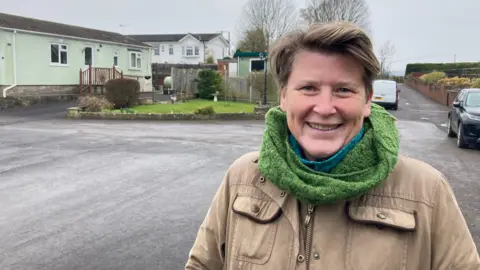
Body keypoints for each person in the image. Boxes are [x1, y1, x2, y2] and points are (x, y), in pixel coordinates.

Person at [185, 22, 480, 269]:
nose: (325, 108)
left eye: (343, 90)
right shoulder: (242, 179)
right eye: (309, 88)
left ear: (367, 100)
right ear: (284, 97)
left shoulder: (426, 192)